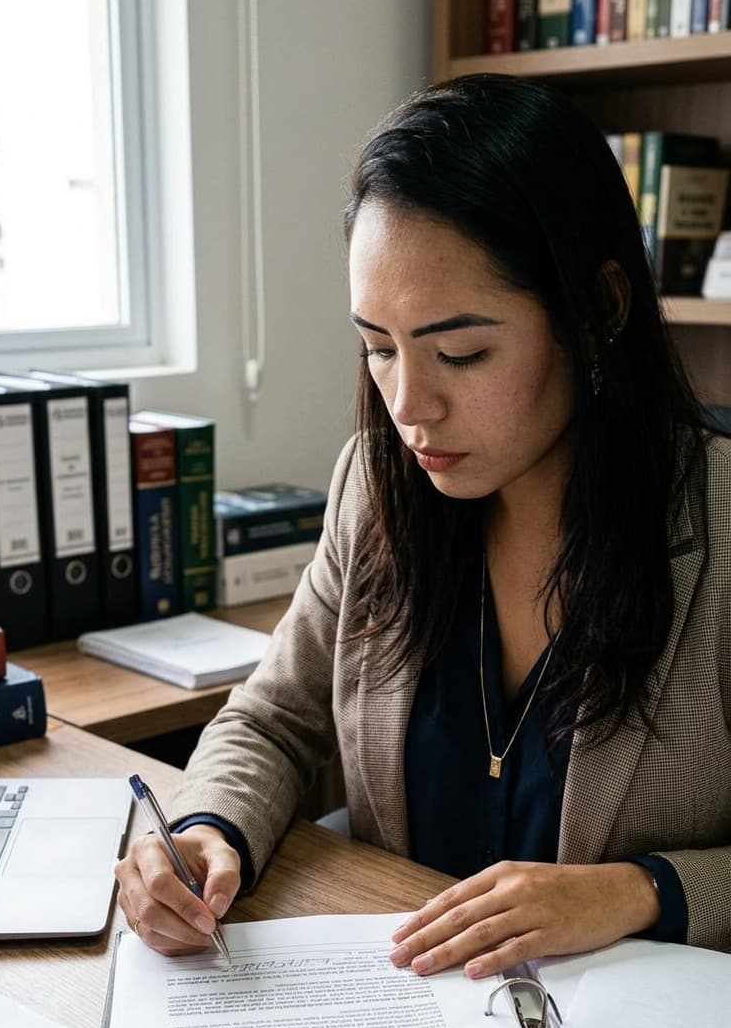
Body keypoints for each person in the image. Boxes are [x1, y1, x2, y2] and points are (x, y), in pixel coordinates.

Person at [116, 74, 731, 972]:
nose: (409, 406)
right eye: (377, 347)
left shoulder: (718, 522)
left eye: (462, 353)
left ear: (596, 312)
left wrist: (639, 889)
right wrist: (210, 827)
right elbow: (275, 718)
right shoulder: (376, 488)